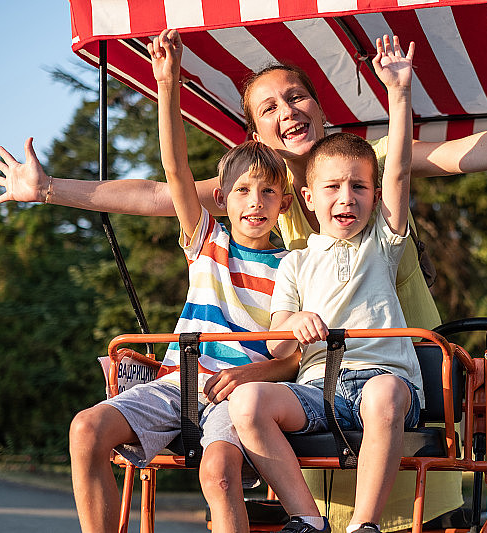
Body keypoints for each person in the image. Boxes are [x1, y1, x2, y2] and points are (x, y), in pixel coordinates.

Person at [0, 36, 487, 531]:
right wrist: (48, 189)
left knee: (412, 500)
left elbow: (461, 151)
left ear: (320, 104)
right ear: (256, 135)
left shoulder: (368, 168)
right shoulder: (263, 196)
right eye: (268, 106)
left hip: (395, 367)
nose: (287, 109)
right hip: (312, 387)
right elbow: (159, 192)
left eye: (296, 95)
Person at [68, 30, 297, 533]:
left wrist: (252, 377)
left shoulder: (295, 267)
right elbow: (174, 168)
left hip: (235, 395)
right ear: (222, 200)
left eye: (266, 193)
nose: (254, 202)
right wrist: (167, 83)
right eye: (241, 192)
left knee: (217, 474)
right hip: (177, 384)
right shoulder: (206, 241)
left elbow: (292, 357)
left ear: (283, 201)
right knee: (86, 428)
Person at [228, 35, 418, 533]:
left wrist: (399, 95)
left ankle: (364, 525)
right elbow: (275, 338)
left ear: (374, 197)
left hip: (383, 381)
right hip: (319, 388)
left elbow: (397, 171)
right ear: (307, 198)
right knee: (246, 402)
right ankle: (308, 519)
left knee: (383, 397)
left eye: (359, 187)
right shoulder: (293, 263)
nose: (347, 198)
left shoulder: (383, 239)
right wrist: (296, 322)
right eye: (333, 187)